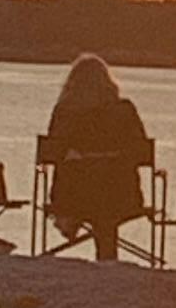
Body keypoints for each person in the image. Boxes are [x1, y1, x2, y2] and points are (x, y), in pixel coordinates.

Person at [41, 54, 156, 263]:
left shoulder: (65, 112)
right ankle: (106, 254)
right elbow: (140, 150)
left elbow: (55, 151)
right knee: (105, 198)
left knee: (79, 173)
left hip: (71, 197)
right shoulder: (124, 110)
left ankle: (69, 224)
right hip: (122, 196)